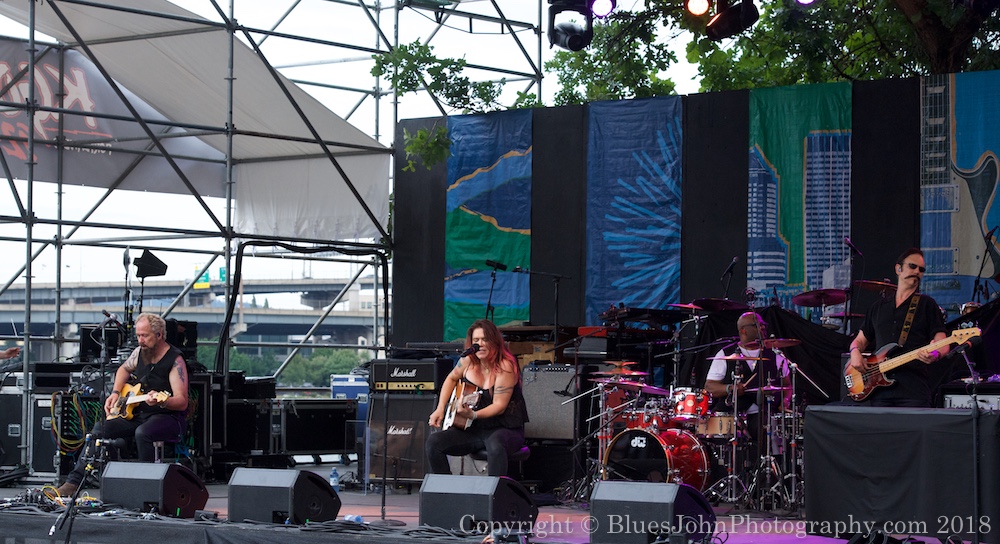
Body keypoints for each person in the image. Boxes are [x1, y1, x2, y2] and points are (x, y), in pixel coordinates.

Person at [56, 313, 189, 496]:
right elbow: (123, 369)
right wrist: (116, 393)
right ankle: (73, 483)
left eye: (145, 336)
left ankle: (147, 487)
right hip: (137, 414)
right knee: (100, 429)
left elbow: (182, 402)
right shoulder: (139, 352)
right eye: (138, 335)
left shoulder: (175, 360)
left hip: (167, 417)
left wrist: (164, 402)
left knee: (143, 433)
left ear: (159, 335)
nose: (140, 340)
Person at [425, 319, 529, 477]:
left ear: (494, 341)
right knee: (434, 443)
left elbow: (499, 405)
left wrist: (473, 415)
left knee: (495, 446)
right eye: (476, 340)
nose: (479, 344)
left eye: (484, 339)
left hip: (505, 428)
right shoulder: (467, 360)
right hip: (473, 429)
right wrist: (440, 408)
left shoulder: (505, 366)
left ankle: (494, 497)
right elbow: (451, 379)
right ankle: (446, 491)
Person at [847, 248, 948, 407]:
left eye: (921, 270)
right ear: (898, 269)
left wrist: (935, 353)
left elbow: (943, 342)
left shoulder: (927, 304)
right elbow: (859, 340)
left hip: (913, 390)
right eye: (912, 266)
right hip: (879, 392)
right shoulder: (878, 307)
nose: (917, 272)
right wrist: (855, 353)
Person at [704, 311, 791, 449]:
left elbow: (787, 385)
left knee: (767, 429)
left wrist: (785, 402)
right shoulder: (725, 354)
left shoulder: (776, 356)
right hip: (732, 413)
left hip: (764, 414)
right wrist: (730, 389)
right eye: (758, 325)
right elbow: (709, 387)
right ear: (743, 330)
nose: (763, 328)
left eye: (763, 325)